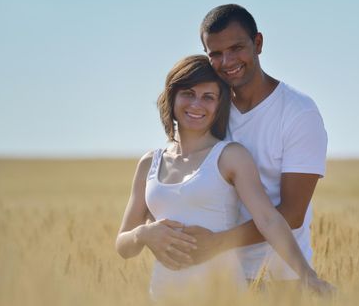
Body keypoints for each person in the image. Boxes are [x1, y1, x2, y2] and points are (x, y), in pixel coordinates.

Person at [115, 55, 331, 300]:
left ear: (219, 107)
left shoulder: (230, 156)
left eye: (208, 97)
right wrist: (144, 234)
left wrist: (307, 275)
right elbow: (123, 246)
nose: (197, 104)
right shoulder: (149, 163)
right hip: (165, 295)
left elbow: (269, 219)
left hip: (223, 295)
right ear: (172, 96)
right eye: (188, 93)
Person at [147, 4, 329, 286]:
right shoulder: (210, 108)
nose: (227, 60)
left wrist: (218, 243)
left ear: (258, 43)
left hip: (280, 278)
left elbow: (292, 214)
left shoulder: (298, 113)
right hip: (218, 277)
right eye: (216, 54)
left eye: (236, 48)